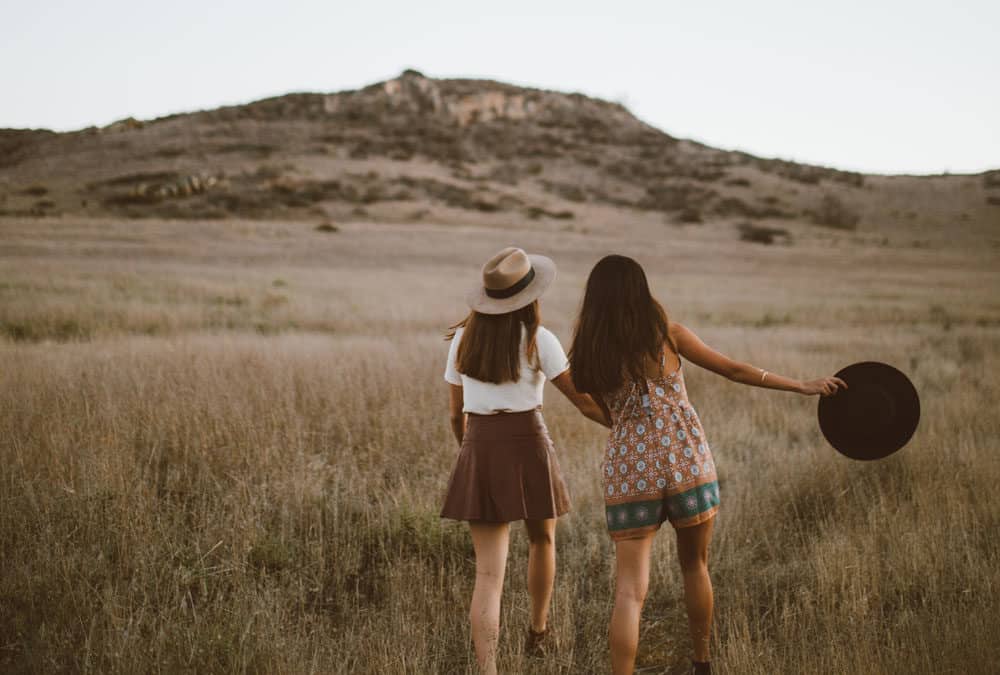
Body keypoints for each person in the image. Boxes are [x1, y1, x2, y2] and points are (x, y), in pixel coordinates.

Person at [568, 254, 847, 675]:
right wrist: (801, 385)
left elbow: (594, 406)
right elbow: (734, 370)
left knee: (629, 591)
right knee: (695, 565)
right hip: (686, 459)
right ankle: (702, 662)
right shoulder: (669, 335)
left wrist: (630, 425)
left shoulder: (588, 355)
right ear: (640, 291)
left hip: (631, 467)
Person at [441, 247, 610, 675]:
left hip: (480, 445)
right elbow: (585, 405)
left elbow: (454, 413)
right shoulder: (541, 339)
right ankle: (538, 630)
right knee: (542, 541)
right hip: (530, 444)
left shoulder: (463, 340)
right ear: (529, 296)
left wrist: (471, 451)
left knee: (488, 576)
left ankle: (488, 670)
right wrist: (628, 423)